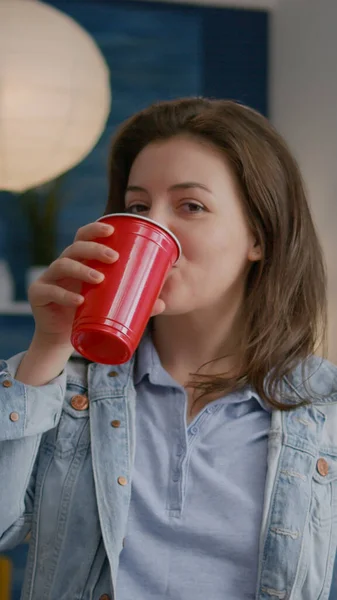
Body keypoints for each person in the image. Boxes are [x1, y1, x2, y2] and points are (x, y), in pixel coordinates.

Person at [0, 97, 336, 600]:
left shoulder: (324, 408)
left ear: (259, 235)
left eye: (190, 206)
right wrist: (47, 348)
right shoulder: (63, 389)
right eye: (138, 207)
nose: (155, 226)